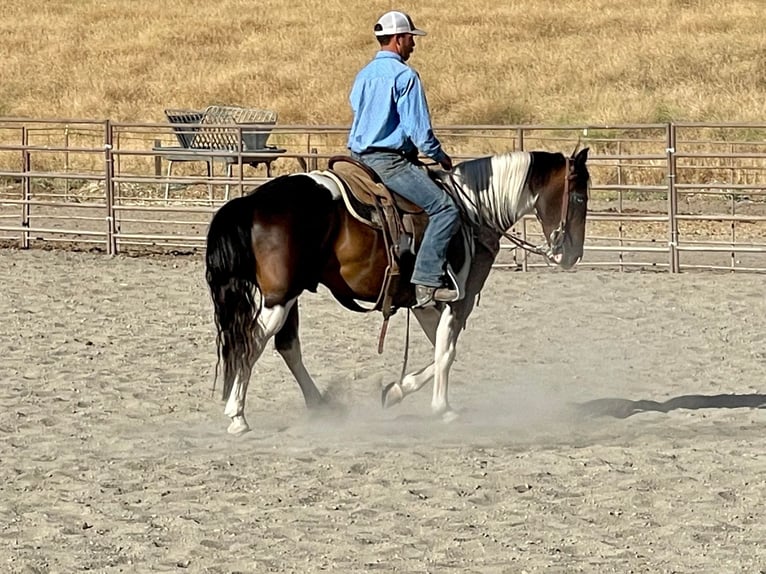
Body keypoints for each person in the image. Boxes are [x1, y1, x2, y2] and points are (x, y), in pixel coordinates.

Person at [347, 10, 460, 307]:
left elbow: (357, 109)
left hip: (355, 159)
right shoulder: (405, 76)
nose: (414, 44)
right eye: (411, 38)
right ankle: (426, 281)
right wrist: (441, 156)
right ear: (399, 40)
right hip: (388, 162)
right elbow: (419, 132)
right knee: (445, 209)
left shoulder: (364, 74)